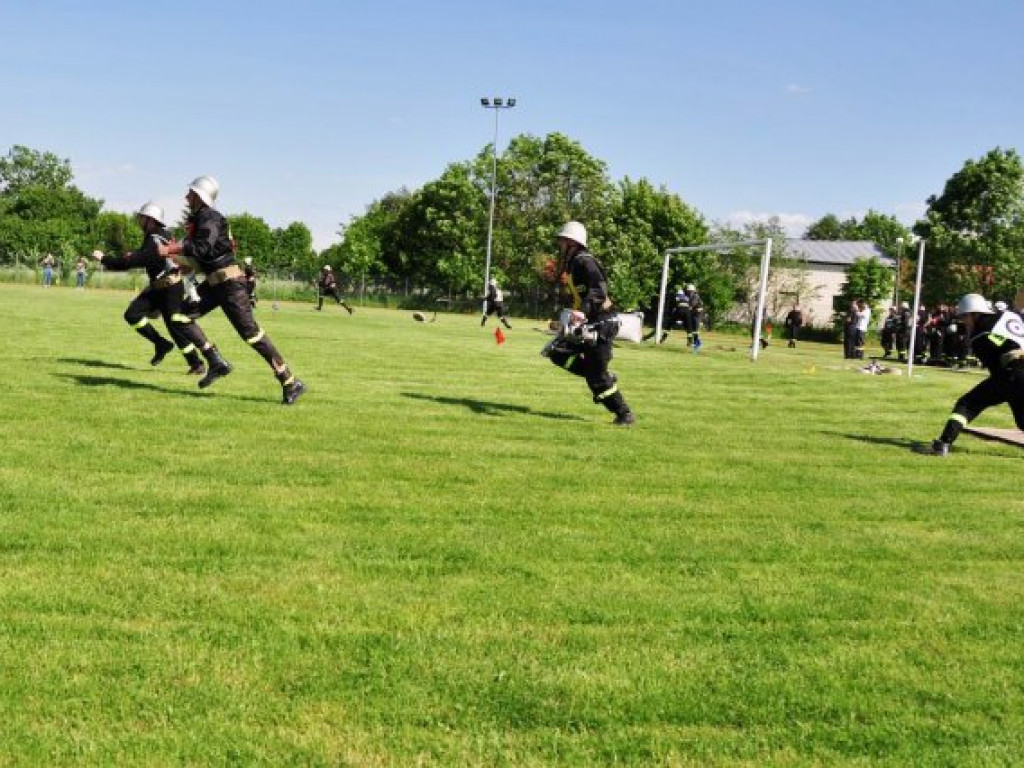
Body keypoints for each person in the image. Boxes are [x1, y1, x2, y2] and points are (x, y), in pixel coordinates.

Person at [157, 175, 306, 404]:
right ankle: (215, 361)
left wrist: (173, 248)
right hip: (215, 284)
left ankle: (289, 381)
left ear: (199, 196)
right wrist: (185, 265)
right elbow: (207, 255)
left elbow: (203, 246)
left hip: (230, 285)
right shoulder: (202, 218)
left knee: (251, 334)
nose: (186, 197)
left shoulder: (211, 217)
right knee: (179, 317)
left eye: (190, 193)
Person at [94, 202, 219, 376]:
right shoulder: (160, 234)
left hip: (170, 288)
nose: (138, 220)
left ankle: (198, 364)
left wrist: (104, 259)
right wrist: (138, 254)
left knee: (175, 327)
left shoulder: (154, 238)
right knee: (133, 314)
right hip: (159, 287)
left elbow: (133, 262)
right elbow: (149, 257)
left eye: (141, 217)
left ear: (150, 220)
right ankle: (162, 344)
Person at [543, 221, 635, 426]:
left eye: (563, 241)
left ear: (572, 243)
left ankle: (624, 414)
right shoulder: (575, 263)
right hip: (588, 323)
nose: (560, 245)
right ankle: (604, 376)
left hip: (601, 325)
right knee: (557, 352)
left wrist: (582, 313)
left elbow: (599, 291)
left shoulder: (585, 262)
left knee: (597, 379)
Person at [921, 294, 1024, 456]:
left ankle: (942, 444)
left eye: (964, 316)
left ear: (975, 313)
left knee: (967, 405)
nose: (963, 321)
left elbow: (997, 371)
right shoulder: (1010, 315)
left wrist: (1006, 388)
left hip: (1011, 371)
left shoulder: (980, 336)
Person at [682, 283, 704, 350]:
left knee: (695, 329)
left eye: (691, 291)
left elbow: (691, 305)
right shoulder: (687, 296)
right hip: (692, 313)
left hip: (697, 313)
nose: (689, 292)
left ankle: (697, 343)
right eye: (688, 291)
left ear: (693, 291)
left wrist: (685, 308)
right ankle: (691, 342)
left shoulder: (695, 296)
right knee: (689, 328)